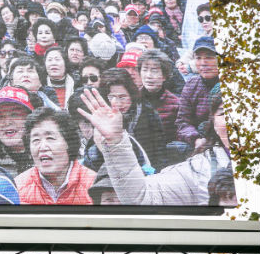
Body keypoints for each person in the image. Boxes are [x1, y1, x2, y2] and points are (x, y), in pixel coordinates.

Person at [78, 86, 235, 206]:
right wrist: (116, 143)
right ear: (213, 121)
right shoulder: (197, 169)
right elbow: (143, 197)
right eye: (222, 112)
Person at [15, 107, 96, 205]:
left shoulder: (94, 184)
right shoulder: (18, 187)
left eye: (50, 138)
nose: (43, 147)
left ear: (68, 142)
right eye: (36, 140)